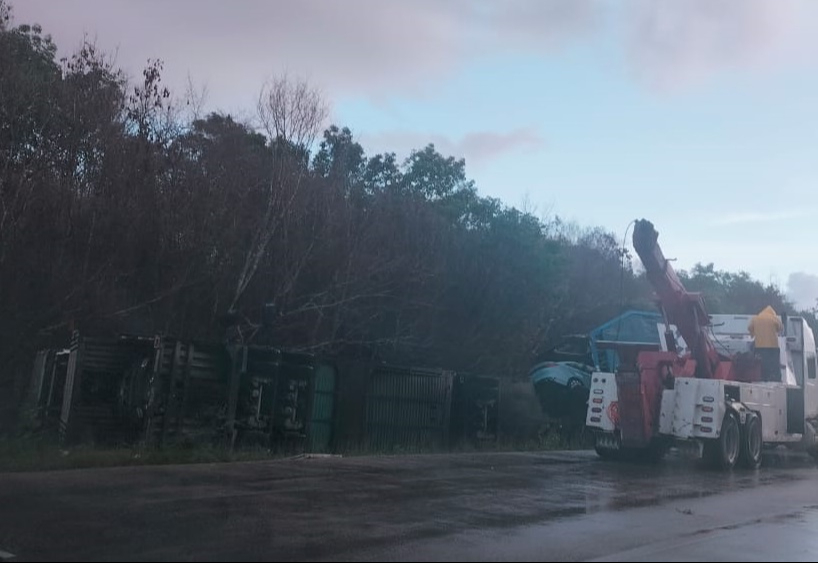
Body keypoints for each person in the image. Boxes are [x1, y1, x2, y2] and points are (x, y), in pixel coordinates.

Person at [748, 306, 784, 382]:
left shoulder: (756, 318)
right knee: (774, 364)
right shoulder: (774, 318)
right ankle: (776, 378)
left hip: (759, 346)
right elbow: (780, 328)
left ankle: (762, 377)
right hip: (773, 346)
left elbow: (749, 327)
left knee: (761, 362)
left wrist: (753, 334)